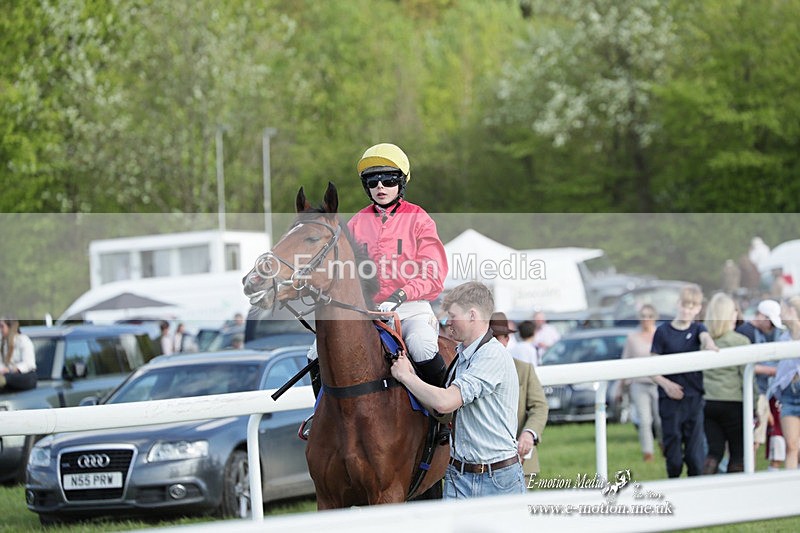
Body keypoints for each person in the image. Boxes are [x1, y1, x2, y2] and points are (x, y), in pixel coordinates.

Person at [302, 143, 449, 438]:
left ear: (401, 183)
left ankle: (443, 417)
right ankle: (324, 419)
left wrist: (401, 295)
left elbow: (434, 272)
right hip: (365, 310)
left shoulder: (419, 219)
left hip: (409, 306)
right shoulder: (356, 223)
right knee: (314, 353)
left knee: (421, 345)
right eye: (373, 181)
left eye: (389, 179)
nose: (381, 186)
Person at [391, 282, 524, 498]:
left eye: (453, 315)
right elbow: (441, 412)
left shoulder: (492, 355)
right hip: (459, 476)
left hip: (496, 480)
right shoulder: (461, 355)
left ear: (472, 315)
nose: (447, 322)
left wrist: (406, 376)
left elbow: (445, 403)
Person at [651, 283, 719, 478]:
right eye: (685, 305)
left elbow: (706, 338)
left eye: (692, 306)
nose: (687, 310)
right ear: (677, 304)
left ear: (698, 309)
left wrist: (710, 345)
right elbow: (651, 367)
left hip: (693, 398)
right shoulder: (663, 332)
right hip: (670, 401)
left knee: (695, 456)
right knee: (673, 456)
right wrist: (667, 385)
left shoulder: (698, 328)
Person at [490, 312, 548, 477]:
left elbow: (540, 406)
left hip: (519, 460)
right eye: (489, 338)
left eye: (497, 338)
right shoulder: (470, 368)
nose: (493, 343)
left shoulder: (524, 369)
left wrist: (529, 433)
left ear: (507, 340)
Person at [701, 293, 752, 474]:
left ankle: (706, 485)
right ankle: (736, 494)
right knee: (738, 454)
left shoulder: (703, 342)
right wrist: (754, 405)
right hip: (733, 402)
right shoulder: (740, 341)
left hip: (708, 402)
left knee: (714, 451)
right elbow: (747, 377)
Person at [736, 299, 784, 468]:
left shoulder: (757, 333)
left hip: (760, 392)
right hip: (752, 393)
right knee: (751, 440)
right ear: (762, 316)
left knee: (754, 441)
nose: (771, 327)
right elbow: (740, 364)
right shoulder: (746, 332)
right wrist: (771, 371)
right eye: (770, 322)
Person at [619, 304, 662, 463]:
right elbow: (625, 362)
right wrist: (620, 386)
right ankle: (648, 453)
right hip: (639, 383)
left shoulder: (661, 334)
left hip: (659, 383)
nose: (646, 319)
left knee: (660, 419)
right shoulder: (633, 338)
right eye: (643, 315)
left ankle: (664, 444)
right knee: (645, 420)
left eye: (649, 315)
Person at [768, 296, 800, 469]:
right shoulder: (783, 338)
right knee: (791, 445)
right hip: (789, 393)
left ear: (793, 311)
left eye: (784, 310)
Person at [0, 317, 38, 391]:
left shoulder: (23, 340)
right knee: (7, 378)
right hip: (9, 378)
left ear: (10, 327)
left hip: (25, 376)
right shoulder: (3, 344)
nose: (0, 330)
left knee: (8, 378)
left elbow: (28, 364)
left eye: (2, 326)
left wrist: (11, 369)